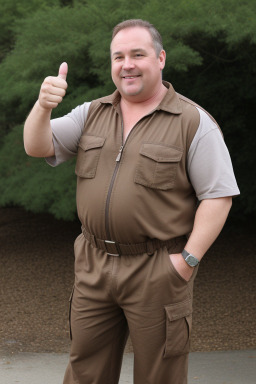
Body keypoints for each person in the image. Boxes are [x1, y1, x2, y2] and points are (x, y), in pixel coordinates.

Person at [24, 19, 240, 384]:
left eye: (137, 54)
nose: (127, 64)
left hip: (157, 268)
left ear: (160, 58)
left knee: (160, 375)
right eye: (118, 56)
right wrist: (43, 106)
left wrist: (186, 261)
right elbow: (37, 145)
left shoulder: (193, 121)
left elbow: (218, 197)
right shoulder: (91, 113)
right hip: (93, 265)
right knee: (85, 372)